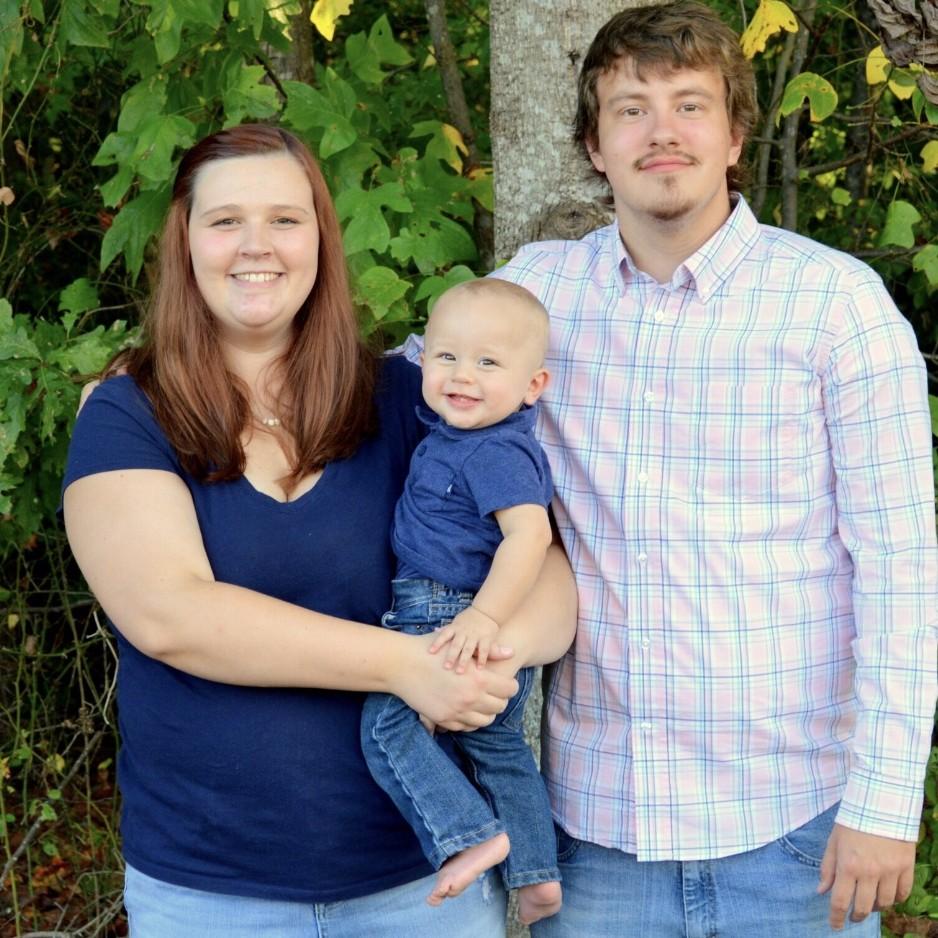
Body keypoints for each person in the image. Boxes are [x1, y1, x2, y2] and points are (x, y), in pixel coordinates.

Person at [485, 3, 937, 935]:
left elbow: (901, 568)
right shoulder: (537, 292)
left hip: (797, 839)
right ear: (594, 146)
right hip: (596, 839)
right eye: (631, 109)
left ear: (734, 137)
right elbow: (397, 395)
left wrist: (887, 801)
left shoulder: (836, 306)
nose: (662, 132)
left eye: (690, 105)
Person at [62, 124, 577, 938]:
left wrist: (475, 657)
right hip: (213, 892)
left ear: (321, 240)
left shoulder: (411, 396)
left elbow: (550, 592)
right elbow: (170, 615)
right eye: (225, 221)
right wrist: (406, 666)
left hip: (422, 888)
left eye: (284, 219)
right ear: (185, 242)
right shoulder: (129, 414)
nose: (256, 245)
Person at [361, 278, 563, 926]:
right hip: (458, 612)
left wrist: (484, 617)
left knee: (386, 727)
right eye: (446, 356)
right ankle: (536, 875)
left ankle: (467, 836)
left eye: (488, 362)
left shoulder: (495, 450)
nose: (462, 375)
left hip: (451, 614)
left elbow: (530, 536)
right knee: (498, 750)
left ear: (533, 385)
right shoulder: (457, 432)